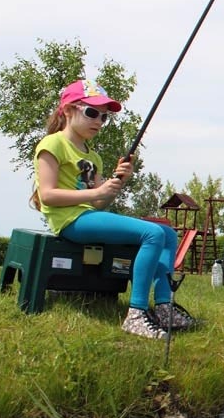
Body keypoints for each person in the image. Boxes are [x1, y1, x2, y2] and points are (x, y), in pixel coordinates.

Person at [32, 79, 197, 339]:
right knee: (152, 234)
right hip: (69, 220)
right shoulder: (52, 144)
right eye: (92, 112)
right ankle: (137, 313)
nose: (99, 120)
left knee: (167, 234)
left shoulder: (92, 155)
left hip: (88, 215)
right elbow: (48, 195)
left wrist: (119, 181)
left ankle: (164, 306)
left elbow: (99, 202)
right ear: (67, 110)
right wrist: (97, 192)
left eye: (104, 117)